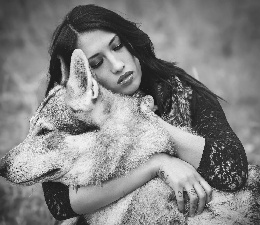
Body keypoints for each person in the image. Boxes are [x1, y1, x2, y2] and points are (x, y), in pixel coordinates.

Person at [42, 4, 248, 223]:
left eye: (117, 46)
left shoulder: (180, 92)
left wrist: (147, 123)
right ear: (81, 76)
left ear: (130, 42)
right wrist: (157, 165)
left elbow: (233, 171)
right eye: (97, 63)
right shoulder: (76, 117)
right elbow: (61, 204)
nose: (118, 65)